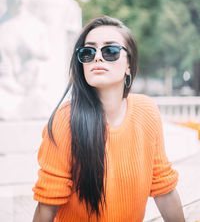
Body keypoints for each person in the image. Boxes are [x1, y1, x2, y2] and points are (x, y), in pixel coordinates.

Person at [32, 16, 185, 221]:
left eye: (110, 51)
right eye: (88, 51)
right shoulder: (64, 121)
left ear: (129, 64)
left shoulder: (147, 111)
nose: (97, 57)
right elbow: (46, 207)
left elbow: (164, 189)